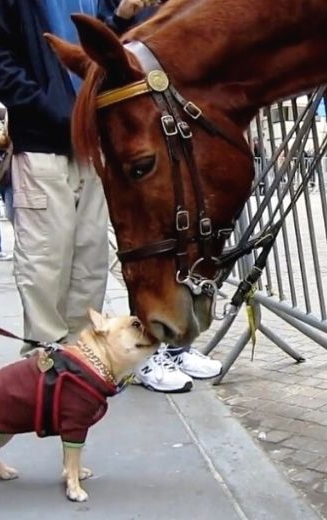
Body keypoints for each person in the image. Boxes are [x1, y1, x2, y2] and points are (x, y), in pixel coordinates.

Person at [92, 0, 223, 392]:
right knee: (146, 235)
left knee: (183, 237)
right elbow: (101, 53)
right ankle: (147, 352)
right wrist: (122, 17)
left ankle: (177, 345)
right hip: (136, 118)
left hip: (173, 114)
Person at [0, 0, 111, 357]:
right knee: (46, 257)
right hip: (42, 141)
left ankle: (81, 354)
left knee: (91, 256)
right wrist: (47, 108)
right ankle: (47, 357)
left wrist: (123, 16)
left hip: (93, 137)